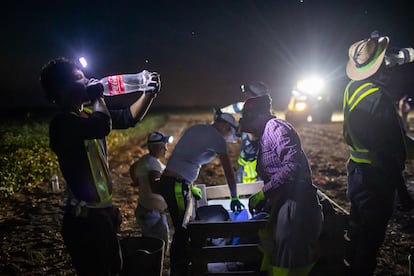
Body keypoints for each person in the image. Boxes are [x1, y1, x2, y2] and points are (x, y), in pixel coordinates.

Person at [39, 57, 160, 275]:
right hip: (84, 221)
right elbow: (102, 125)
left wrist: (148, 93)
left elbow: (127, 118)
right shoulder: (62, 125)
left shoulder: (86, 116)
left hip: (100, 214)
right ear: (63, 88)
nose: (88, 80)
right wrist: (98, 97)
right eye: (79, 77)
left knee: (114, 268)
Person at [343, 31, 414, 275]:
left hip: (355, 172)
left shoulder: (352, 88)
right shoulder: (380, 100)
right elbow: (389, 153)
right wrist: (403, 193)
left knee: (356, 230)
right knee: (370, 241)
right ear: (379, 68)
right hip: (376, 178)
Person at [241, 95, 323, 275]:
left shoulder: (276, 127)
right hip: (285, 202)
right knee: (279, 256)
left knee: (290, 261)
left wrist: (264, 193)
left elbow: (293, 165)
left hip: (296, 204)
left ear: (258, 115)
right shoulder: (266, 132)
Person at [159, 109, 245, 276]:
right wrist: (234, 196)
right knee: (183, 229)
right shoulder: (216, 137)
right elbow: (228, 171)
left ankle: (182, 265)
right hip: (176, 184)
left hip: (175, 182)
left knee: (182, 226)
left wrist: (190, 185)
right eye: (229, 131)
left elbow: (188, 157)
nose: (228, 136)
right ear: (224, 125)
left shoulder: (198, 129)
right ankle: (180, 269)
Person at [129, 131, 173, 250]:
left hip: (148, 211)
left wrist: (137, 181)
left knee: (153, 243)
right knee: (157, 246)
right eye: (162, 146)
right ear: (153, 147)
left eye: (165, 146)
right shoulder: (153, 163)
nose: (165, 149)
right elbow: (155, 186)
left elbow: (132, 168)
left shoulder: (146, 159)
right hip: (151, 213)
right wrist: (171, 193)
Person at [220, 82, 271, 184]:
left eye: (248, 94)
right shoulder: (250, 109)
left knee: (253, 190)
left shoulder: (259, 117)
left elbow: (253, 136)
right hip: (247, 161)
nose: (246, 96)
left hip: (254, 163)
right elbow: (223, 111)